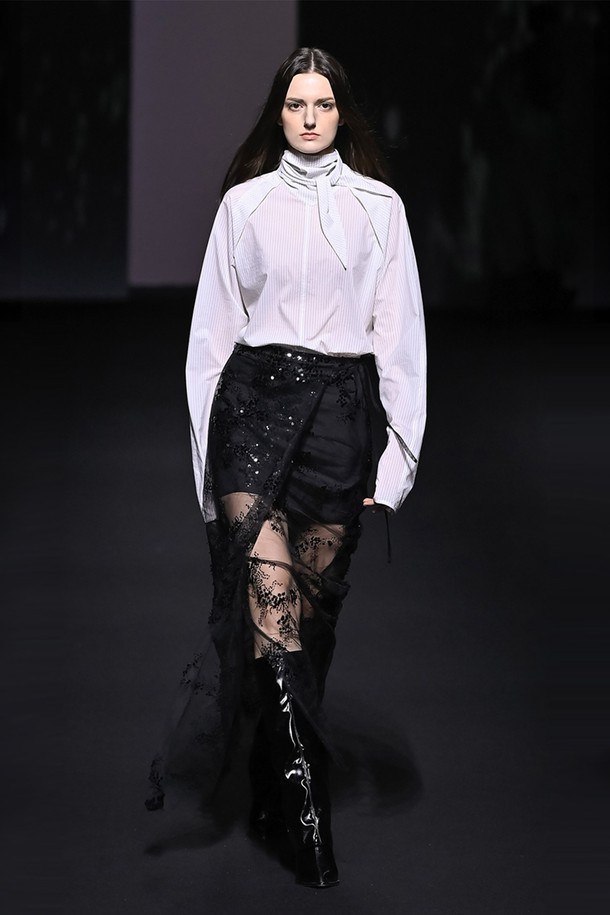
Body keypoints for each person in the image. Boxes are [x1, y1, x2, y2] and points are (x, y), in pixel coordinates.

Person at [145, 46, 426, 889]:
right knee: (272, 610)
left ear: (342, 112)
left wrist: (399, 458)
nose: (309, 117)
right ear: (279, 112)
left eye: (323, 104)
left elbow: (401, 339)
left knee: (311, 620)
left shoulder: (380, 209)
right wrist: (208, 465)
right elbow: (209, 340)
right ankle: (308, 814)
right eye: (296, 104)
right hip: (253, 409)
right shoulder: (245, 205)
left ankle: (273, 786)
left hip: (340, 417)